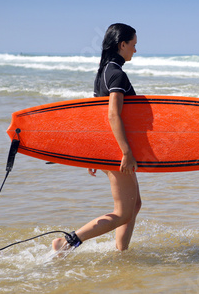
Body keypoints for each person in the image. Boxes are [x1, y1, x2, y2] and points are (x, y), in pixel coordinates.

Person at [52, 23, 141, 253]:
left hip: (108, 147)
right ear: (123, 44)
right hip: (116, 151)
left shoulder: (103, 72)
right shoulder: (116, 74)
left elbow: (95, 119)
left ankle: (122, 251)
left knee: (134, 205)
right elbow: (112, 115)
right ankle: (67, 242)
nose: (135, 50)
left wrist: (92, 155)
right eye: (133, 45)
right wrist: (126, 152)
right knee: (123, 212)